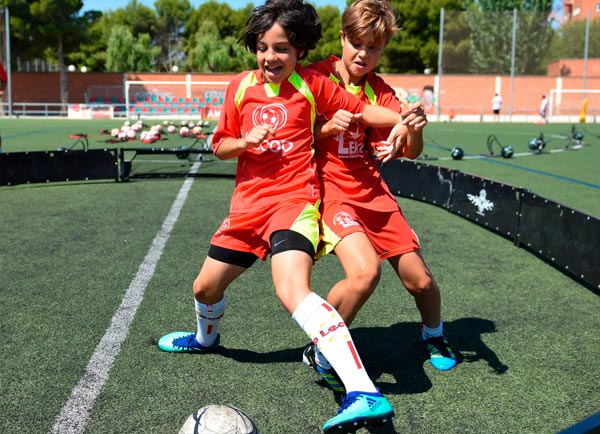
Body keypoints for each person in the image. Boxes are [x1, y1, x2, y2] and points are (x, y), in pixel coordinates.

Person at [157, 0, 413, 431]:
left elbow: (367, 111)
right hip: (246, 208)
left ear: (299, 50)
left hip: (295, 204)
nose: (270, 57)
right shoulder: (239, 87)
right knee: (203, 288)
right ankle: (205, 339)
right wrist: (246, 142)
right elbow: (220, 146)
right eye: (262, 47)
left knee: (292, 287)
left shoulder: (313, 84)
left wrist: (406, 116)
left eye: (281, 49)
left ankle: (363, 390)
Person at [301, 0, 457, 395]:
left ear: (382, 49)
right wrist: (323, 130)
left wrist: (414, 126)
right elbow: (293, 139)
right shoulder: (314, 78)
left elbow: (411, 149)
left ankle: (434, 334)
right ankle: (322, 347)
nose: (364, 54)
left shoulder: (382, 90)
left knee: (420, 281)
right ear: (342, 38)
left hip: (375, 196)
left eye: (374, 47)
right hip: (333, 195)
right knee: (364, 273)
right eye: (357, 43)